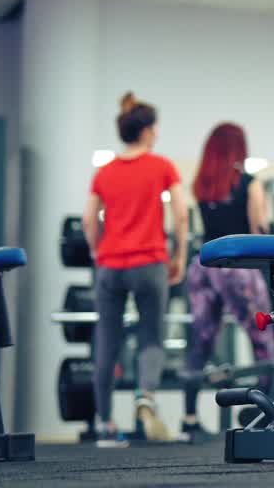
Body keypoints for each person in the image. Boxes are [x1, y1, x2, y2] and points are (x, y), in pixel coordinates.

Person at [81, 92, 188, 447]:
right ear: (144, 131)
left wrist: (97, 250)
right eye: (155, 128)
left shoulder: (105, 172)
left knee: (107, 340)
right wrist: (180, 254)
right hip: (149, 262)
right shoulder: (162, 166)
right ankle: (145, 398)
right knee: (151, 336)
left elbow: (88, 219)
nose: (157, 133)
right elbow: (181, 214)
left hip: (110, 265)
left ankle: (105, 423)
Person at [180, 122, 274, 440]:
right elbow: (259, 229)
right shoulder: (249, 184)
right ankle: (265, 413)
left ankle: (189, 417)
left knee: (200, 342)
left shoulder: (201, 185)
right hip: (238, 268)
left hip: (204, 264)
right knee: (263, 338)